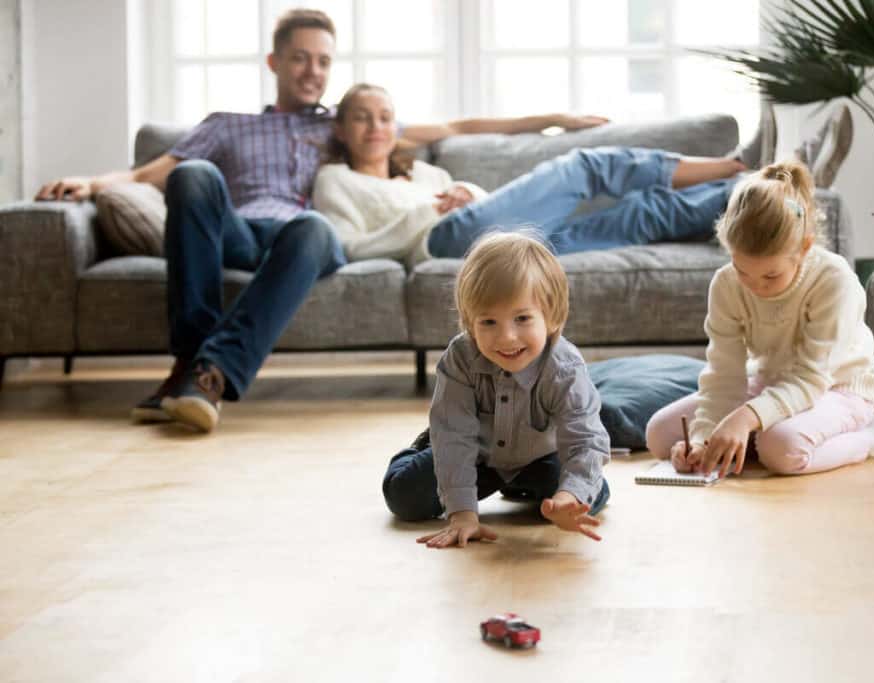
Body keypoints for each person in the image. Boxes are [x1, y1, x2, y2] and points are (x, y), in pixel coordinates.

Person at [34, 9, 607, 433]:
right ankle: (191, 362)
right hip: (239, 231)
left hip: (305, 240)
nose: (313, 71)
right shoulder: (227, 123)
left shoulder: (342, 124)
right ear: (275, 62)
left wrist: (553, 118)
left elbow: (459, 127)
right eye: (301, 58)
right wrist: (90, 184)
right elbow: (153, 170)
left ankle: (208, 374)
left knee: (312, 228)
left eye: (324, 60)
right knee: (193, 176)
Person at [312, 83, 754, 266]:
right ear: (340, 128)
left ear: (397, 126)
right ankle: (734, 162)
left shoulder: (426, 173)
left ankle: (749, 189)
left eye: (385, 117)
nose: (375, 128)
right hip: (442, 243)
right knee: (583, 167)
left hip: (499, 246)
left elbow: (489, 211)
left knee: (640, 214)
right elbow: (347, 248)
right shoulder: (336, 180)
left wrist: (468, 192)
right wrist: (423, 215)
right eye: (362, 118)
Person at [645, 161, 874, 478]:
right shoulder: (726, 283)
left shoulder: (834, 280)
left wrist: (745, 418)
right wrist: (701, 440)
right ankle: (744, 440)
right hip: (769, 384)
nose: (755, 286)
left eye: (771, 275)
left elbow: (811, 379)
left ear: (804, 248)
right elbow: (724, 375)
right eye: (742, 269)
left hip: (837, 388)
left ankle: (869, 434)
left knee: (781, 450)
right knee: (660, 435)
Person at [382, 232, 611, 548]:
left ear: (552, 316)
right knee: (403, 497)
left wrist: (566, 498)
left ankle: (529, 487)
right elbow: (454, 438)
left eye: (522, 318)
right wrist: (462, 514)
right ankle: (422, 447)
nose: (506, 337)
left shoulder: (564, 366)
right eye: (488, 322)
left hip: (541, 457)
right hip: (477, 455)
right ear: (469, 322)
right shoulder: (461, 358)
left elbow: (585, 440)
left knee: (588, 496)